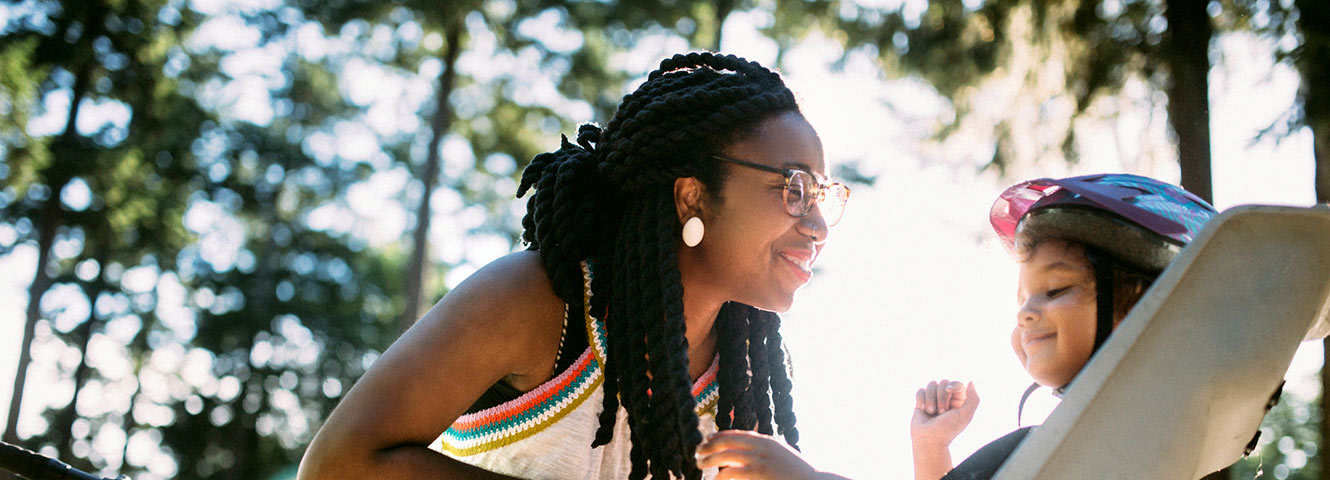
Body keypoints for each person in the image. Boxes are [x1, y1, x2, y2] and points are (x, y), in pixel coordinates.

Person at [296, 51, 851, 480]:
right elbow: (338, 464)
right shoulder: (537, 303)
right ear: (693, 198)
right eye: (794, 188)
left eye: (824, 196)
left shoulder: (744, 375)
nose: (818, 226)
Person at [696, 173, 1216, 480]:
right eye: (1022, 297)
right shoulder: (1109, 441)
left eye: (1055, 291)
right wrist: (933, 450)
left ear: (1140, 310)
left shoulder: (1095, 448)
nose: (1026, 312)